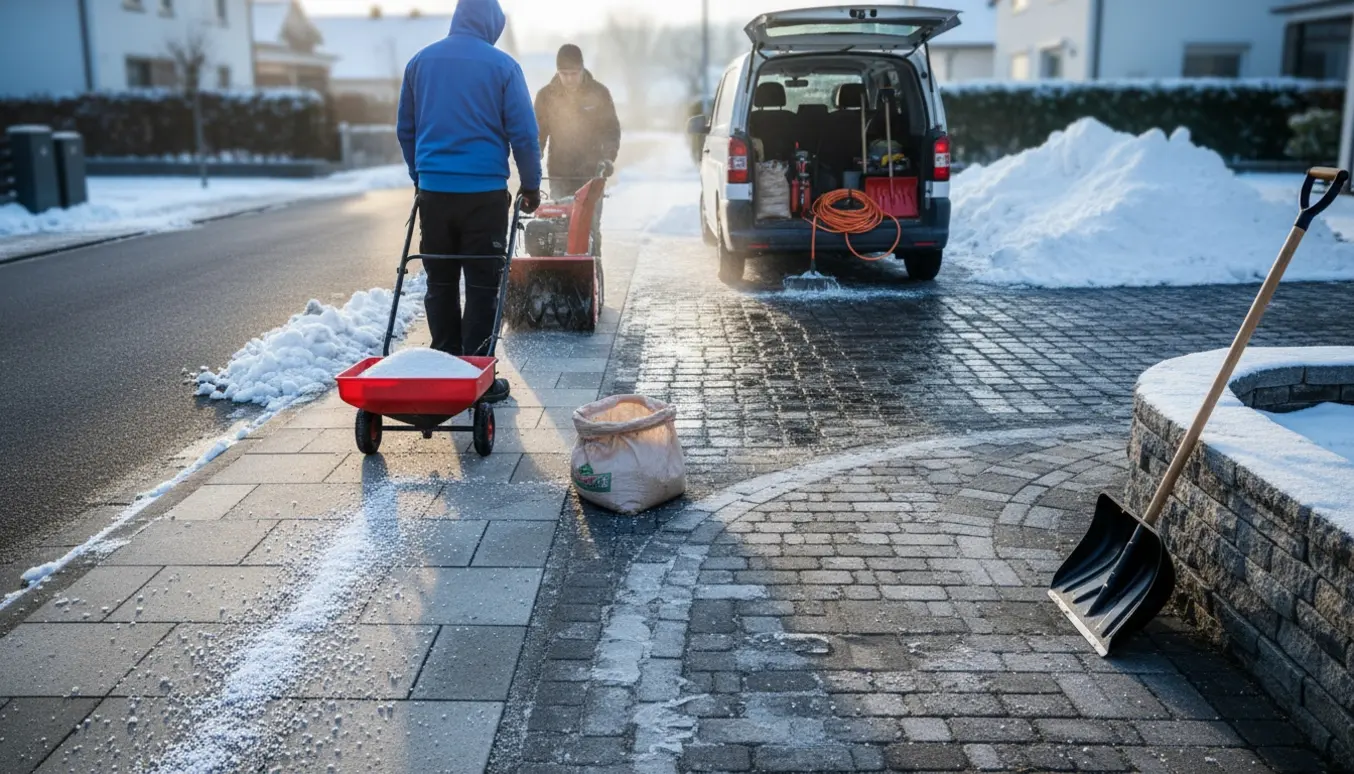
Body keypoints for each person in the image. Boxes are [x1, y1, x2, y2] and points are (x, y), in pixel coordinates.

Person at [396, 0, 540, 402]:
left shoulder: (420, 63)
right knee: (481, 285)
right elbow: (524, 135)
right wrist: (531, 186)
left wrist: (419, 175)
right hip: (484, 196)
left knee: (439, 279)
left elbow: (405, 130)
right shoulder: (503, 67)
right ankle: (476, 373)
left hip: (435, 194)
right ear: (492, 24)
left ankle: (443, 362)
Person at [534, 44, 621, 252]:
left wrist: (608, 158)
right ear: (558, 72)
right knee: (558, 227)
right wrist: (533, 156)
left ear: (582, 70)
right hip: (559, 173)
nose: (570, 79)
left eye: (574, 74)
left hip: (592, 174)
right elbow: (538, 133)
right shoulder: (546, 96)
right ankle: (561, 277)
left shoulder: (599, 93)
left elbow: (611, 130)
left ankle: (592, 271)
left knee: (589, 227)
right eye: (564, 74)